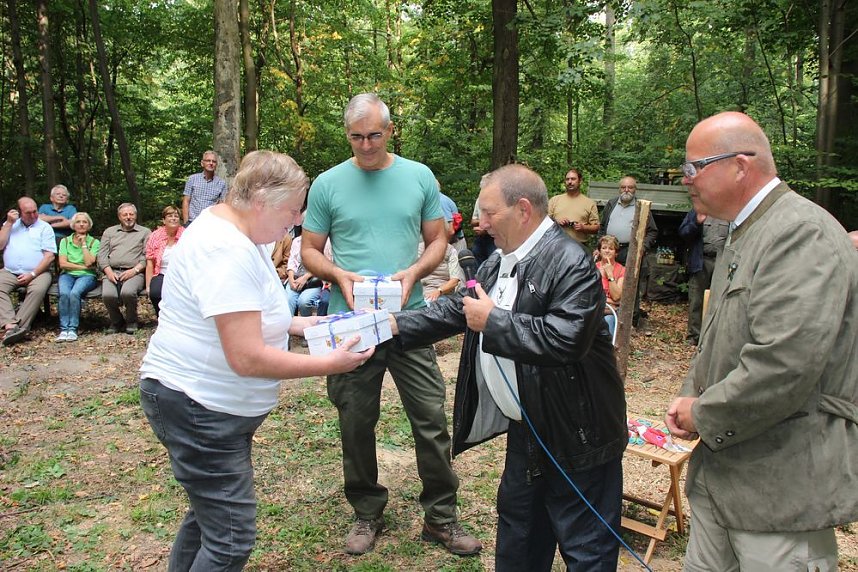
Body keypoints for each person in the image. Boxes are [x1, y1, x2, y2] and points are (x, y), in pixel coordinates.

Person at [139, 150, 371, 571]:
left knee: (210, 518)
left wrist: (308, 326)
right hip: (199, 407)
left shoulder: (239, 230)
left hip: (207, 405)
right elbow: (246, 357)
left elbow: (254, 314)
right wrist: (330, 364)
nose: (297, 221)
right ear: (262, 200)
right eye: (293, 209)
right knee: (229, 539)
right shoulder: (224, 250)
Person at [393, 164, 627, 571]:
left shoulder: (571, 261)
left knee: (586, 549)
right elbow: (456, 308)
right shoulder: (500, 260)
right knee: (519, 538)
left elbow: (566, 338)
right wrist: (390, 326)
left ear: (522, 210)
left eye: (488, 213)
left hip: (580, 438)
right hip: (529, 432)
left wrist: (494, 321)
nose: (480, 225)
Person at [666, 112, 858, 571]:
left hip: (779, 491)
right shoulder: (746, 232)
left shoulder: (799, 232)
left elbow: (783, 364)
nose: (684, 178)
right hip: (725, 481)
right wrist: (691, 394)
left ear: (740, 165)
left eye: (694, 167)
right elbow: (719, 337)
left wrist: (703, 412)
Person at [301, 93, 481, 557]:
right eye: (356, 137)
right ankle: (366, 511)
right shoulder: (327, 184)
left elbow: (437, 241)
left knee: (430, 419)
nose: (365, 145)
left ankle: (441, 517)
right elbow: (309, 251)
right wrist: (338, 274)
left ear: (391, 130)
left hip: (411, 319)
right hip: (352, 322)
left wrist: (414, 274)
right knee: (355, 421)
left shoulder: (418, 177)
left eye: (374, 135)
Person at [598, 176, 658, 326]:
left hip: (630, 252)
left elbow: (652, 232)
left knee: (630, 286)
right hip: (609, 250)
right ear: (619, 189)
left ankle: (630, 321)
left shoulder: (641, 207)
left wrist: (642, 248)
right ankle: (605, 313)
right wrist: (599, 247)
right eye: (623, 187)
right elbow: (602, 226)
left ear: (635, 189)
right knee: (605, 280)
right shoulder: (612, 204)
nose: (626, 190)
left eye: (630, 187)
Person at [0, 197, 56, 346]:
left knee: (37, 290)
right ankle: (11, 326)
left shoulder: (44, 227)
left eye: (35, 211)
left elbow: (49, 256)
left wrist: (32, 274)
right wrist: (9, 224)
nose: (33, 215)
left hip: (39, 272)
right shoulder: (10, 225)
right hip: (10, 271)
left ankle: (19, 327)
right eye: (28, 213)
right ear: (19, 212)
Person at [98, 203, 151, 334]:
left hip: (135, 272)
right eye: (125, 214)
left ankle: (132, 321)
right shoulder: (110, 232)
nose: (128, 217)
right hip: (112, 271)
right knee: (108, 295)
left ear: (136, 215)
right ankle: (117, 321)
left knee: (127, 292)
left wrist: (135, 270)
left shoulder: (145, 232)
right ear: (119, 217)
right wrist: (108, 271)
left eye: (131, 214)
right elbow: (102, 255)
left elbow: (147, 255)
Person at [678, 208, 729, 345]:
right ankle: (694, 336)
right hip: (700, 261)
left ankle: (714, 337)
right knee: (696, 299)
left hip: (722, 262)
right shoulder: (698, 210)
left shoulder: (729, 211)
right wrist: (696, 222)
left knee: (721, 299)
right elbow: (683, 233)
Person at [56, 212, 100, 341]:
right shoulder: (65, 241)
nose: (81, 224)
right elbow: (63, 264)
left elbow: (89, 262)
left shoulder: (94, 242)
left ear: (89, 225)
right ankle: (64, 329)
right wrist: (81, 267)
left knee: (75, 293)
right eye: (78, 222)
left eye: (84, 222)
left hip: (87, 276)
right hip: (67, 275)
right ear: (73, 225)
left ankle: (73, 329)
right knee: (64, 293)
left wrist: (84, 245)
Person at [145, 206, 185, 317]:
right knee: (155, 293)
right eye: (170, 216)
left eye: (176, 216)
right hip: (161, 273)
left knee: (180, 295)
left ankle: (178, 320)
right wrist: (148, 285)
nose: (173, 218)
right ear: (164, 220)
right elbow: (150, 263)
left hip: (181, 274)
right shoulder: (155, 236)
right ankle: (162, 318)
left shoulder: (186, 235)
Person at [548, 168, 600, 244]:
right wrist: (557, 223)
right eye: (567, 179)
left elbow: (596, 228)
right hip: (556, 244)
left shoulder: (589, 203)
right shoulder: (554, 200)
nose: (570, 182)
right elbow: (544, 223)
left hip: (579, 246)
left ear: (580, 181)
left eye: (573, 179)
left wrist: (583, 227)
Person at [285, 233, 329, 317]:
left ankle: (305, 328)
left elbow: (322, 265)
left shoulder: (323, 242)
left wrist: (305, 278)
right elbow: (291, 263)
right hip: (295, 278)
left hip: (313, 281)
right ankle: (289, 328)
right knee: (288, 300)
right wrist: (291, 280)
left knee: (303, 302)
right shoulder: (297, 241)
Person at [182, 150, 228, 225]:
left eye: (214, 161)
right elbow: (186, 201)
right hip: (192, 222)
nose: (211, 163)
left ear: (216, 165)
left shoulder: (221, 183)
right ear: (202, 163)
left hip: (210, 223)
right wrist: (185, 222)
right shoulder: (192, 179)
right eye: (208, 161)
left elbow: (221, 206)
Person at [418, 238, 464, 304]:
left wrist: (439, 291)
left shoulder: (450, 250)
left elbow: (454, 281)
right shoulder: (418, 249)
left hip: (443, 295)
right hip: (421, 294)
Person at [595, 234, 625, 334]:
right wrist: (609, 301)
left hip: (611, 312)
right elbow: (589, 294)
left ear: (616, 253)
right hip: (594, 309)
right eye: (604, 248)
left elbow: (617, 297)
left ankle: (608, 348)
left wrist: (610, 275)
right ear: (599, 251)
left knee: (608, 321)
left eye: (611, 248)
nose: (607, 251)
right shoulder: (593, 268)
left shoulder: (622, 270)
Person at [470, 188, 496, 268]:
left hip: (494, 237)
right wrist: (482, 223)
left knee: (493, 262)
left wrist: (484, 228)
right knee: (476, 257)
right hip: (480, 237)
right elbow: (473, 221)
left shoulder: (497, 200)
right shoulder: (479, 200)